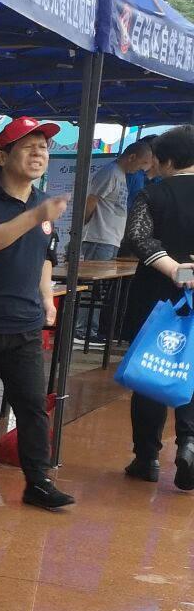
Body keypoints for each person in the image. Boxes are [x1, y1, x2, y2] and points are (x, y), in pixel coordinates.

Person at [0, 116, 74, 510]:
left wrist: (46, 299)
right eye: (28, 147)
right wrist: (35, 217)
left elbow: (45, 258)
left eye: (43, 147)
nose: (38, 154)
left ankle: (38, 482)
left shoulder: (40, 203)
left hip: (26, 323)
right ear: (2, 155)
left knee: (31, 406)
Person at [118, 125, 194, 486]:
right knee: (191, 370)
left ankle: (146, 458)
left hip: (155, 297)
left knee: (151, 370)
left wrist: (173, 269)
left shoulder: (152, 194)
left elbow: (137, 236)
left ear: (167, 162)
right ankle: (189, 443)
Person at [81, 139, 153, 261]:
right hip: (99, 238)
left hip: (110, 239)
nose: (143, 168)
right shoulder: (110, 172)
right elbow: (91, 200)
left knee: (103, 277)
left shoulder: (120, 174)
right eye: (143, 163)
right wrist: (82, 225)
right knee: (95, 277)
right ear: (132, 157)